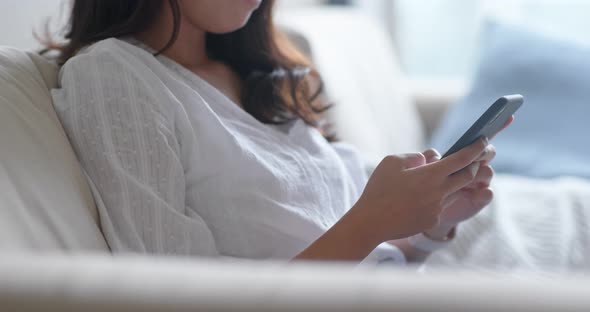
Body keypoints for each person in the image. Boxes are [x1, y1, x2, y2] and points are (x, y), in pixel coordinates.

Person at [47, 0, 506, 264]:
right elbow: (176, 294)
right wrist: (371, 222)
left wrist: (430, 226)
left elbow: (350, 257)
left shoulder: (258, 73)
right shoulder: (114, 75)